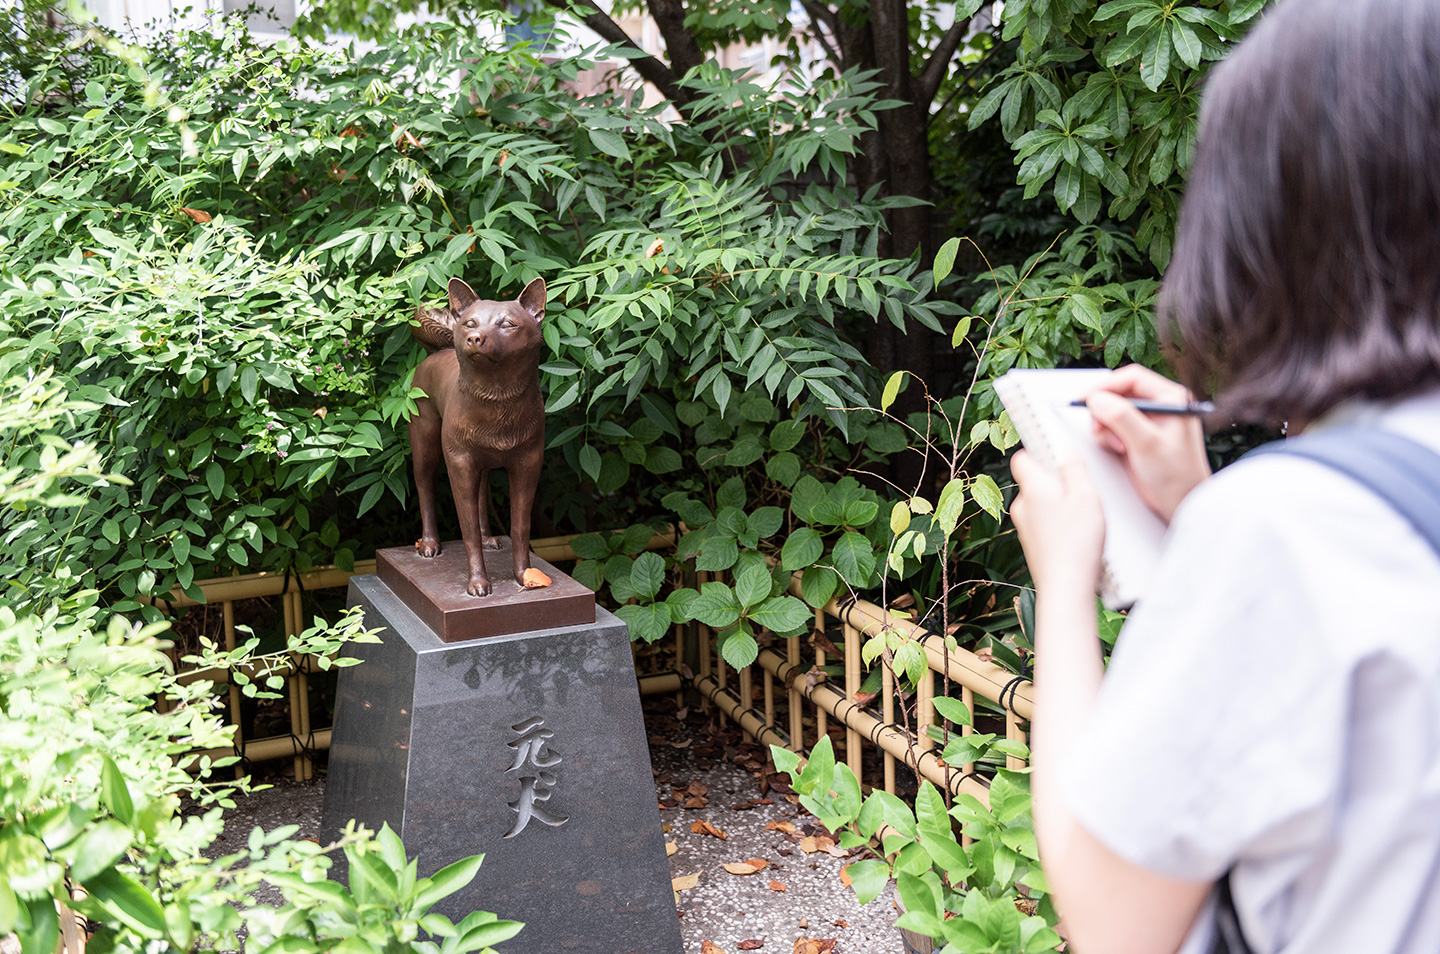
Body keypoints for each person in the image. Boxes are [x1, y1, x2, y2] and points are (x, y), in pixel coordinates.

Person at [1008, 0, 1440, 951]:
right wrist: (1200, 509)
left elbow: (1113, 919)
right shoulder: (1302, 522)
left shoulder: (1288, 525)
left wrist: (1067, 585)